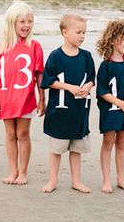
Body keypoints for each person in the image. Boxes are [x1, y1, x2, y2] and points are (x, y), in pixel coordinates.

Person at [0, 1, 45, 185]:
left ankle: (23, 172)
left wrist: (42, 99)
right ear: (12, 23)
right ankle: (13, 171)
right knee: (10, 135)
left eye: (30, 21)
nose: (26, 25)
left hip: (26, 98)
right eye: (22, 21)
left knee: (23, 134)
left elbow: (39, 75)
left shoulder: (35, 46)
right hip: (5, 98)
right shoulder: (2, 47)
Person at [40, 12, 95, 194]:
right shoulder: (56, 56)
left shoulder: (86, 56)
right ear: (65, 32)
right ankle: (53, 180)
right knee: (57, 150)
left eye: (84, 33)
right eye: (78, 32)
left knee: (76, 149)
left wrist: (87, 86)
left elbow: (92, 79)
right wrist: (69, 87)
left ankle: (76, 180)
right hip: (60, 113)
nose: (82, 36)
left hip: (79, 112)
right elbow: (47, 80)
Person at [95, 19, 124, 193]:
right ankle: (106, 180)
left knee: (122, 143)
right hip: (111, 112)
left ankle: (121, 178)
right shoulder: (105, 66)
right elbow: (102, 91)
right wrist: (119, 103)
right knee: (108, 143)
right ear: (114, 39)